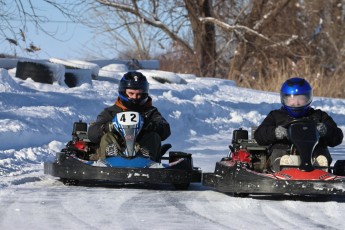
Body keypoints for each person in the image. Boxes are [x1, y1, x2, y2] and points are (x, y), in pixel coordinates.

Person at [254, 77, 343, 172]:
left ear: (308, 98)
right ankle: (286, 167)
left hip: (313, 153)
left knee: (320, 152)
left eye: (301, 99)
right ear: (284, 99)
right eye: (291, 99)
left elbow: (337, 138)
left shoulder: (318, 116)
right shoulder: (276, 116)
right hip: (284, 153)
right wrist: (275, 132)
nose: (296, 103)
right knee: (280, 152)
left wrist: (326, 130)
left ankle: (319, 167)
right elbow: (259, 135)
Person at [87, 71, 171, 162]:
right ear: (123, 92)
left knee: (153, 136)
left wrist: (149, 125)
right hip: (116, 154)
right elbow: (92, 134)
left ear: (144, 94)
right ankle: (110, 156)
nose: (135, 97)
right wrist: (108, 127)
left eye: (139, 94)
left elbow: (165, 130)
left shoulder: (150, 112)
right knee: (108, 136)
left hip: (142, 154)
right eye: (131, 93)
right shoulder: (111, 112)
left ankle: (145, 155)